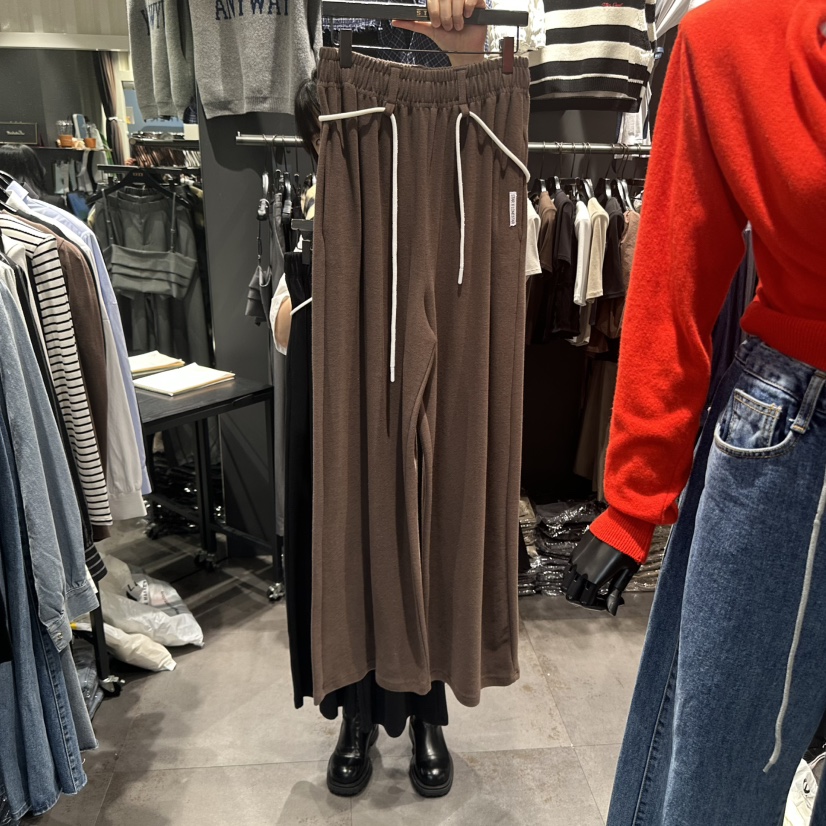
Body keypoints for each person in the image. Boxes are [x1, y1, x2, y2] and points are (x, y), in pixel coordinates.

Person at [562, 0, 826, 823]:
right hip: (795, 448)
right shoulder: (731, 43)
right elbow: (673, 284)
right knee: (719, 785)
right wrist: (631, 505)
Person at [274, 1, 498, 799]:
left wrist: (463, 30)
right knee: (344, 531)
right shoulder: (314, 183)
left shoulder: (418, 145)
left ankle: (428, 710)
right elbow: (283, 315)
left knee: (423, 518)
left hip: (407, 306)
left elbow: (471, 66)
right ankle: (355, 716)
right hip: (327, 368)